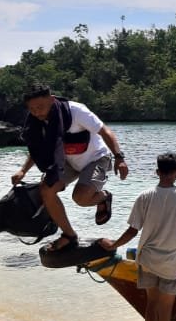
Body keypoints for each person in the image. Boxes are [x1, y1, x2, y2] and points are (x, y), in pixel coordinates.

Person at [99, 152, 176, 321]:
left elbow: (132, 230)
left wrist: (114, 244)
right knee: (165, 312)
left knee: (151, 306)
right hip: (170, 263)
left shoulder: (144, 196)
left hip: (147, 259)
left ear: (157, 172)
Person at [12, 83, 129, 252]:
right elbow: (38, 150)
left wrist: (119, 157)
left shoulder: (76, 112)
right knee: (46, 190)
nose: (37, 112)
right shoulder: (37, 123)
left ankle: (103, 197)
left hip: (96, 158)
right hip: (68, 161)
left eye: (40, 107)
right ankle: (69, 235)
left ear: (52, 100)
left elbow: (105, 132)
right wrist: (23, 170)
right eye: (32, 109)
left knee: (80, 198)